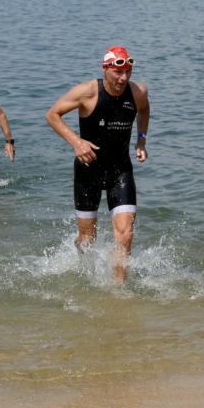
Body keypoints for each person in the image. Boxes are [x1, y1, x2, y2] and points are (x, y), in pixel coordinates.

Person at [45, 46, 150, 283]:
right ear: (105, 69)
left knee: (125, 234)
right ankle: (82, 268)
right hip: (88, 172)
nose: (123, 78)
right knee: (87, 239)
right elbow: (52, 115)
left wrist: (141, 140)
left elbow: (144, 110)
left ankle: (118, 289)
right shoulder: (87, 92)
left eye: (128, 72)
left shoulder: (137, 92)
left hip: (120, 171)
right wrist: (77, 142)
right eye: (118, 72)